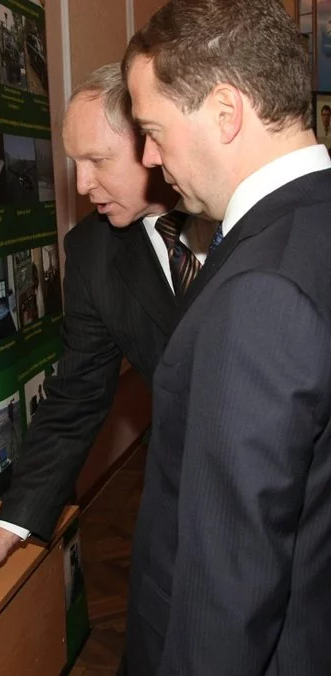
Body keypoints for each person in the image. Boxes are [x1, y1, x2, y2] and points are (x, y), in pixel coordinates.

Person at [0, 63, 215, 587]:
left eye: (97, 160)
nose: (81, 184)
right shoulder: (93, 252)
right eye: (75, 163)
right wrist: (6, 528)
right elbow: (75, 399)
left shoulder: (245, 214)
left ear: (153, 141)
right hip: (187, 506)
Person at [122, 1, 331, 674]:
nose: (148, 157)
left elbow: (230, 588)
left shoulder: (260, 290)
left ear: (224, 112)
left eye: (152, 131)